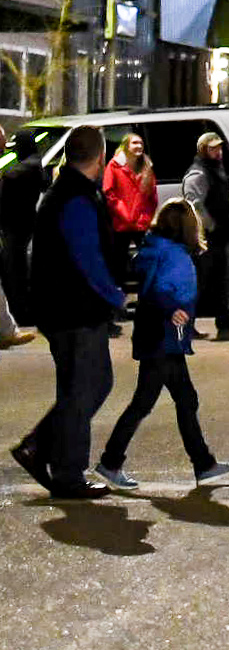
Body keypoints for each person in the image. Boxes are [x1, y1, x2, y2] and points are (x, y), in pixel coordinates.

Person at [12, 124, 124, 498]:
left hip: (61, 308)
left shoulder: (64, 192)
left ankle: (43, 449)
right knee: (87, 388)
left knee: (83, 387)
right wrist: (114, 296)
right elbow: (87, 257)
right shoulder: (76, 197)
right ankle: (66, 471)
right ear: (100, 157)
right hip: (75, 310)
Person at [93, 199, 229, 492]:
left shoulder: (155, 249)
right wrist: (174, 310)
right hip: (164, 337)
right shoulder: (174, 255)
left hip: (158, 334)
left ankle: (203, 463)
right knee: (148, 402)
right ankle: (111, 461)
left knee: (182, 399)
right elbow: (164, 290)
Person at [181, 131, 229, 340]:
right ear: (203, 150)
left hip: (219, 236)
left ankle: (225, 324)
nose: (218, 152)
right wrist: (210, 225)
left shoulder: (217, 169)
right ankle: (185, 326)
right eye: (213, 148)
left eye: (219, 147)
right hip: (205, 237)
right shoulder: (198, 173)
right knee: (199, 282)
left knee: (221, 282)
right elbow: (194, 204)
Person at [3, 128, 52, 331]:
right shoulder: (34, 164)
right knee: (19, 271)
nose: (14, 152)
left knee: (15, 272)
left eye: (16, 148)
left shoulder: (20, 171)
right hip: (24, 224)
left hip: (16, 227)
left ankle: (20, 312)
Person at [101, 132, 158, 307]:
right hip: (121, 223)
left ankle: (146, 301)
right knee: (117, 266)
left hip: (141, 223)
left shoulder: (147, 166)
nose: (138, 146)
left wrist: (146, 217)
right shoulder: (114, 166)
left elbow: (152, 196)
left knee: (147, 263)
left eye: (141, 143)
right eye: (134, 143)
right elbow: (109, 193)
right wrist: (124, 213)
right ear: (126, 145)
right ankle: (117, 304)